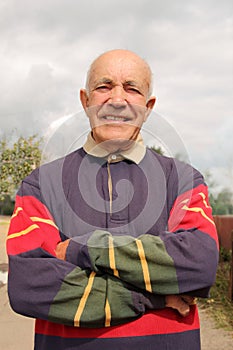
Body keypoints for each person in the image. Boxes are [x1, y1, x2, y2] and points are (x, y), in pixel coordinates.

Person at [6, 49, 219, 350]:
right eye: (104, 86)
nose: (117, 100)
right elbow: (29, 286)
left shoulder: (184, 179)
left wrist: (84, 249)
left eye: (132, 88)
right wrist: (152, 296)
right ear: (85, 100)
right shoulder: (41, 184)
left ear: (148, 106)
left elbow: (198, 263)